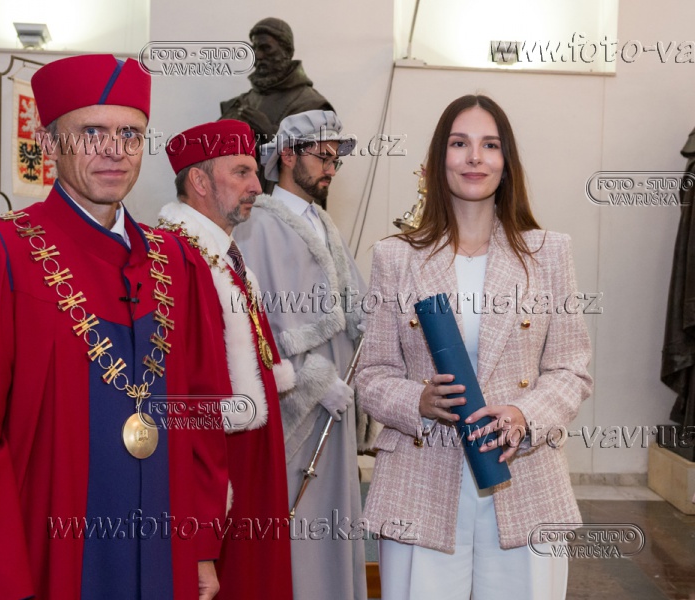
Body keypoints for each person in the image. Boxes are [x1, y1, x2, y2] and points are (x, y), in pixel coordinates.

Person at [0, 54, 230, 600]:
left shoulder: (179, 262)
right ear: (48, 143)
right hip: (44, 560)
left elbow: (200, 411)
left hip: (163, 552)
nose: (114, 149)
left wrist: (201, 544)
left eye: (130, 134)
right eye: (91, 132)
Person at [355, 94, 593, 600]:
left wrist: (525, 415)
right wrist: (418, 400)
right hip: (421, 479)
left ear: (506, 162)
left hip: (524, 475)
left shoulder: (549, 253)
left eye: (490, 145)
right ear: (439, 157)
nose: (474, 158)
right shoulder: (396, 257)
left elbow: (571, 368)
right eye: (460, 143)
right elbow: (371, 372)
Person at [157, 119, 296, 600]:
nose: (257, 186)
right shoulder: (178, 260)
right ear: (199, 181)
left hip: (249, 466)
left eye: (254, 172)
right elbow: (184, 400)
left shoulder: (223, 256)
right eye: (241, 172)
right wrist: (201, 525)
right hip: (220, 476)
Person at [233, 109, 367, 600]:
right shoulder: (257, 224)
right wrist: (314, 380)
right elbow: (253, 323)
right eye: (322, 157)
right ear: (288, 155)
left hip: (337, 407)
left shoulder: (324, 224)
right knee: (299, 529)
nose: (331, 168)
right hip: (297, 408)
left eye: (336, 160)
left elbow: (354, 308)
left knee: (334, 520)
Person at [219, 17, 334, 196]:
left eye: (266, 48)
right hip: (235, 205)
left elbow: (317, 169)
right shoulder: (239, 103)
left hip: (279, 206)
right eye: (255, 48)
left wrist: (270, 132)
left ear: (286, 51)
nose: (258, 56)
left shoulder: (312, 105)